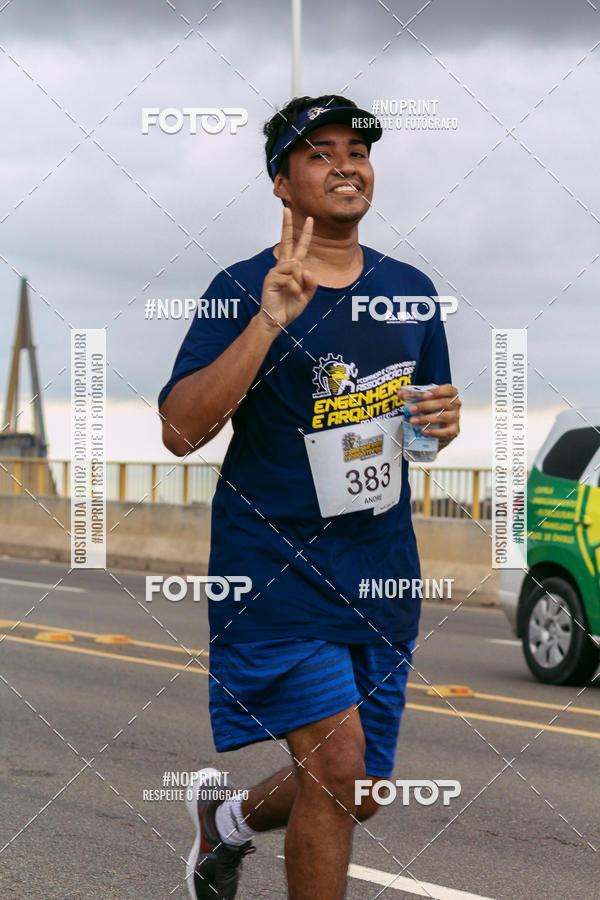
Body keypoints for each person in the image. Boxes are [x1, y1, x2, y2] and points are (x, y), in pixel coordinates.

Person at [159, 93, 461, 900]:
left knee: (357, 789)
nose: (345, 165)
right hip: (273, 572)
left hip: (380, 571)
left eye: (356, 152)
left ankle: (223, 824)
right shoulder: (240, 286)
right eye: (319, 153)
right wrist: (267, 322)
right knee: (336, 766)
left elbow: (417, 435)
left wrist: (439, 422)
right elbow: (181, 431)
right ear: (281, 184)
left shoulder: (412, 293)